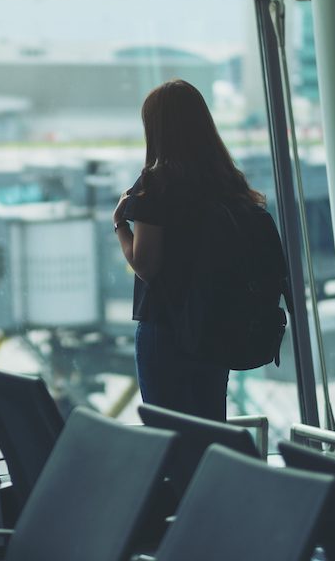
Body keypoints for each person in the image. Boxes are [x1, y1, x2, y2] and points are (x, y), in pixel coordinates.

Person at [112, 79, 266, 422]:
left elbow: (146, 265)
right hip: (214, 327)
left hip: (167, 331)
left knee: (171, 437)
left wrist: (120, 226)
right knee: (211, 431)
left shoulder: (156, 184)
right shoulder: (227, 182)